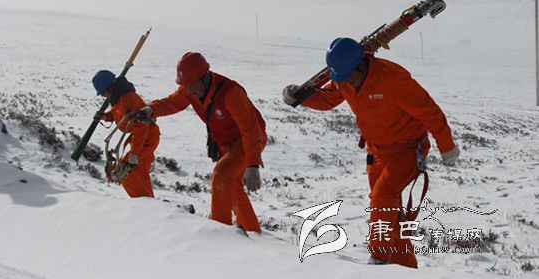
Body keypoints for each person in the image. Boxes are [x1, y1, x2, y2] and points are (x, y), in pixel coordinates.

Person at [282, 37, 460, 268]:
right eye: (341, 79)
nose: (346, 83)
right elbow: (327, 99)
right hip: (376, 152)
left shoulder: (393, 79)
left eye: (349, 77)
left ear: (362, 64)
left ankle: (379, 260)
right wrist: (301, 98)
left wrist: (447, 147)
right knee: (388, 212)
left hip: (407, 149)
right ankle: (404, 268)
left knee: (382, 197)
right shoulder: (344, 77)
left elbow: (429, 112)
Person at [139, 52, 266, 233]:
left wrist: (252, 164)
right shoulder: (190, 88)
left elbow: (251, 129)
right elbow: (173, 103)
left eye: (191, 85)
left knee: (221, 176)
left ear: (205, 78)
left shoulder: (230, 93)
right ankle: (252, 231)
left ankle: (220, 232)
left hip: (249, 141)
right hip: (227, 145)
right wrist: (151, 110)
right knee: (232, 186)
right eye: (184, 85)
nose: (188, 90)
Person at [92, 70, 160, 198]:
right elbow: (119, 114)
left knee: (127, 172)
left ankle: (144, 203)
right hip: (141, 138)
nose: (103, 96)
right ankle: (149, 201)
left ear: (110, 88)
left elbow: (142, 127)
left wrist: (134, 153)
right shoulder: (118, 98)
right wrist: (105, 116)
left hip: (147, 137)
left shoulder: (128, 98)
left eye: (104, 93)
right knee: (139, 171)